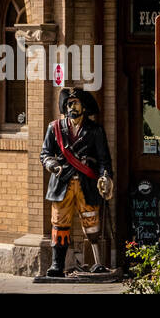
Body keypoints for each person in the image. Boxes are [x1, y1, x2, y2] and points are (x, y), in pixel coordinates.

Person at [40, 87, 114, 277]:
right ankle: (57, 265)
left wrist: (105, 176)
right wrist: (52, 165)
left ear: (84, 106)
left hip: (86, 184)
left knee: (91, 224)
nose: (72, 107)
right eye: (69, 104)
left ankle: (95, 263)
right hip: (62, 183)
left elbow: (104, 159)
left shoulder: (95, 130)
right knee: (59, 224)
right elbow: (45, 154)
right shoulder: (54, 127)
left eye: (76, 103)